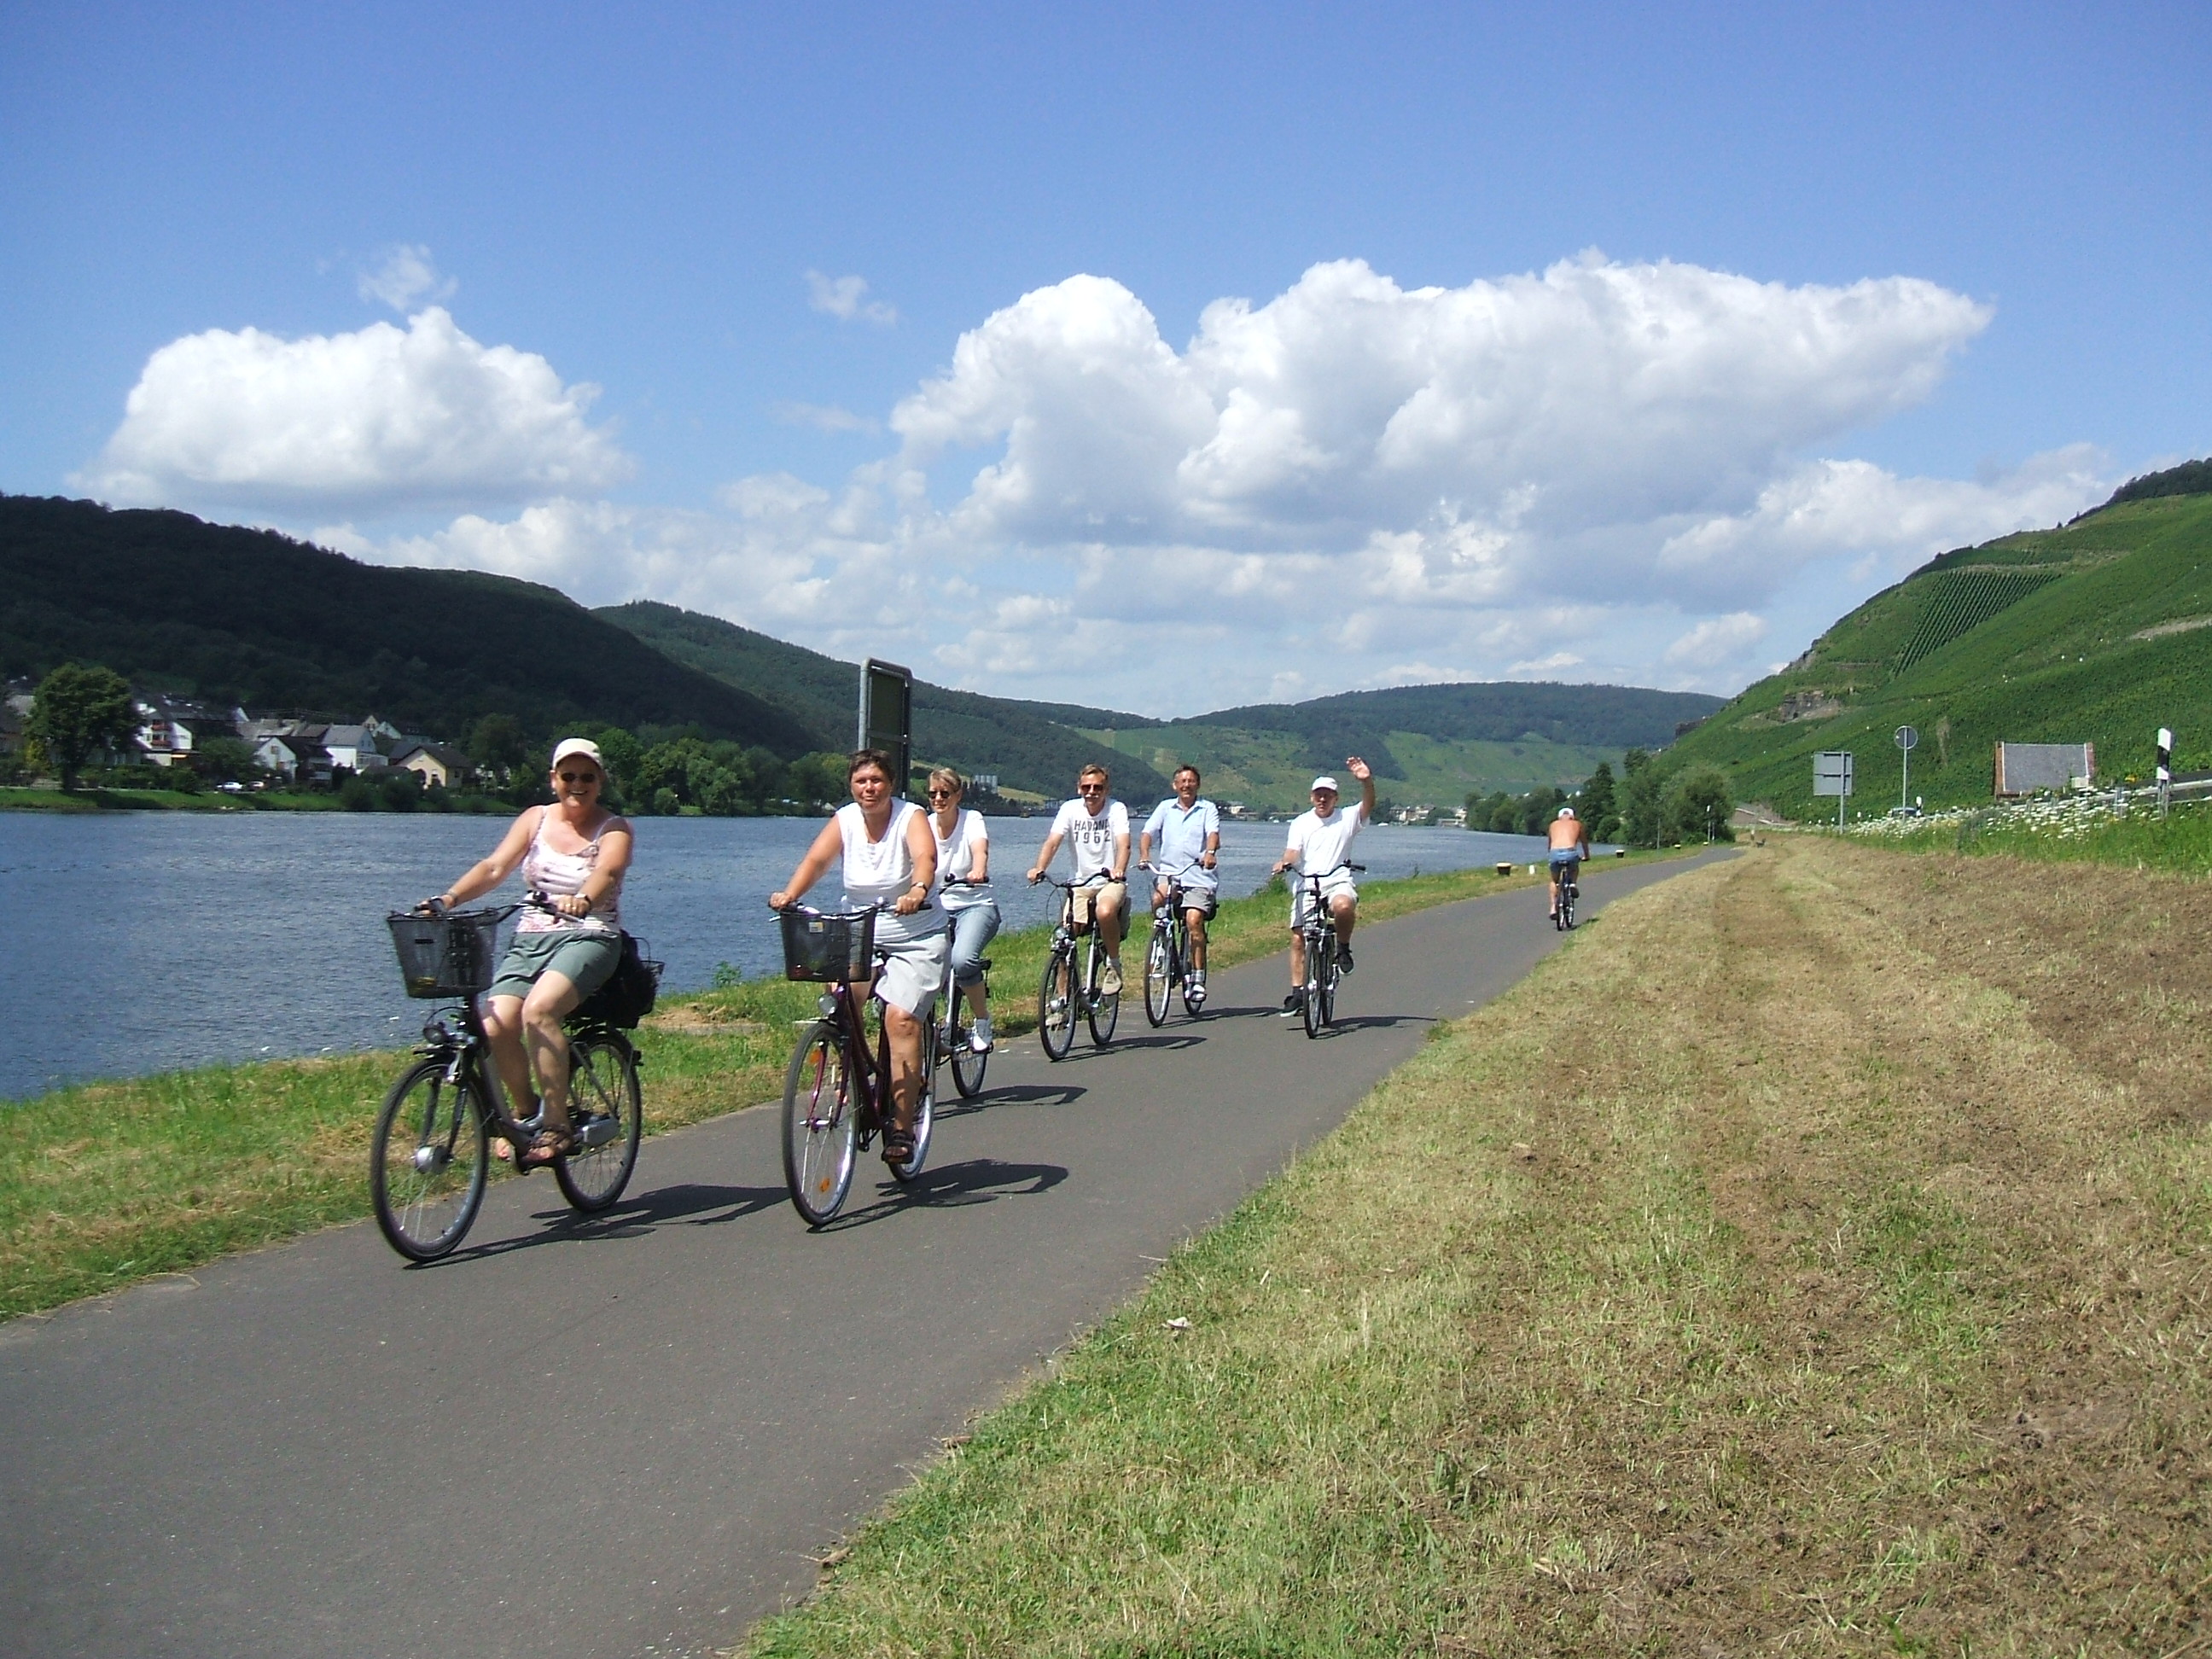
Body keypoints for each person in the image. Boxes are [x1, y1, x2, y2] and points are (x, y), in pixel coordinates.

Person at [425, 737, 633, 1167]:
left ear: (600, 781)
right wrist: (447, 900)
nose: (577, 784)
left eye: (587, 777)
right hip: (531, 938)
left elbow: (608, 870)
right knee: (495, 1022)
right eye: (568, 775)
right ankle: (526, 1115)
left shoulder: (614, 828)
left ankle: (557, 1127)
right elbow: (495, 867)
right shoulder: (535, 819)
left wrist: (584, 899)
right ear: (553, 778)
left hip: (589, 935)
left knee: (538, 1011)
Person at [771, 750, 946, 1165]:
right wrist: (791, 894)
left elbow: (926, 858)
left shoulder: (911, 817)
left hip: (915, 932)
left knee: (899, 1019)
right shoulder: (846, 819)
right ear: (852, 786)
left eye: (877, 781)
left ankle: (902, 1128)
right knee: (840, 1004)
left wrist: (918, 891)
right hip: (859, 930)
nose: (869, 788)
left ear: (892, 785)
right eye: (861, 781)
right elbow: (817, 860)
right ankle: (854, 1074)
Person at [1271, 758, 1377, 1014]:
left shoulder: (1347, 817)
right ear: (1311, 797)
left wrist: (1366, 781)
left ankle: (1342, 948)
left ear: (1335, 798)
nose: (1322, 800)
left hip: (1337, 878)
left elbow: (1368, 803)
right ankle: (1298, 992)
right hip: (1308, 881)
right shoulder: (1300, 823)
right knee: (1298, 937)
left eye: (1327, 795)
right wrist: (1284, 863)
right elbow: (1293, 852)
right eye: (1318, 795)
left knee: (1343, 906)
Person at [1027, 763, 1131, 994]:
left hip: (1109, 881)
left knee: (1105, 912)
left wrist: (1119, 869)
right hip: (1080, 883)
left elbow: (1124, 844)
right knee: (1065, 936)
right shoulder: (1070, 809)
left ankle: (1113, 965)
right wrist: (1039, 868)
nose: (1091, 792)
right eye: (1086, 787)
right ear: (1078, 788)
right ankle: (1063, 997)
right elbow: (1053, 842)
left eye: (1097, 787)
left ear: (1106, 789)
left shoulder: (1116, 809)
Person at [926, 766, 998, 1052]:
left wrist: (978, 870)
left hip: (974, 904)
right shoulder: (924, 825)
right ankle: (935, 1025)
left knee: (963, 960)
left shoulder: (972, 820)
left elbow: (980, 848)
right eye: (933, 794)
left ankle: (982, 1020)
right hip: (936, 907)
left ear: (958, 794)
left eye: (945, 793)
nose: (939, 799)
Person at [1138, 764, 1222, 1007]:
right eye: (1182, 781)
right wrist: (1145, 854)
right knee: (1158, 899)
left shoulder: (1207, 809)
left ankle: (1197, 977)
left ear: (1198, 784)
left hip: (1198, 876)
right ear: (1175, 785)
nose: (1186, 785)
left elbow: (1213, 834)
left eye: (1191, 781)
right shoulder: (1165, 808)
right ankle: (1163, 945)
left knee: (1193, 920)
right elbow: (1148, 833)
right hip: (1170, 873)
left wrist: (1209, 852)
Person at [1547, 805, 1592, 919]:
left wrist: (1551, 856)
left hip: (1554, 853)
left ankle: (1553, 908)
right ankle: (1572, 884)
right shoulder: (1577, 824)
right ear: (1572, 816)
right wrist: (1586, 856)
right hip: (1570, 852)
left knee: (1554, 880)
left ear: (1559, 817)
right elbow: (1584, 842)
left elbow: (1550, 844)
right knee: (1574, 867)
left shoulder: (1553, 825)